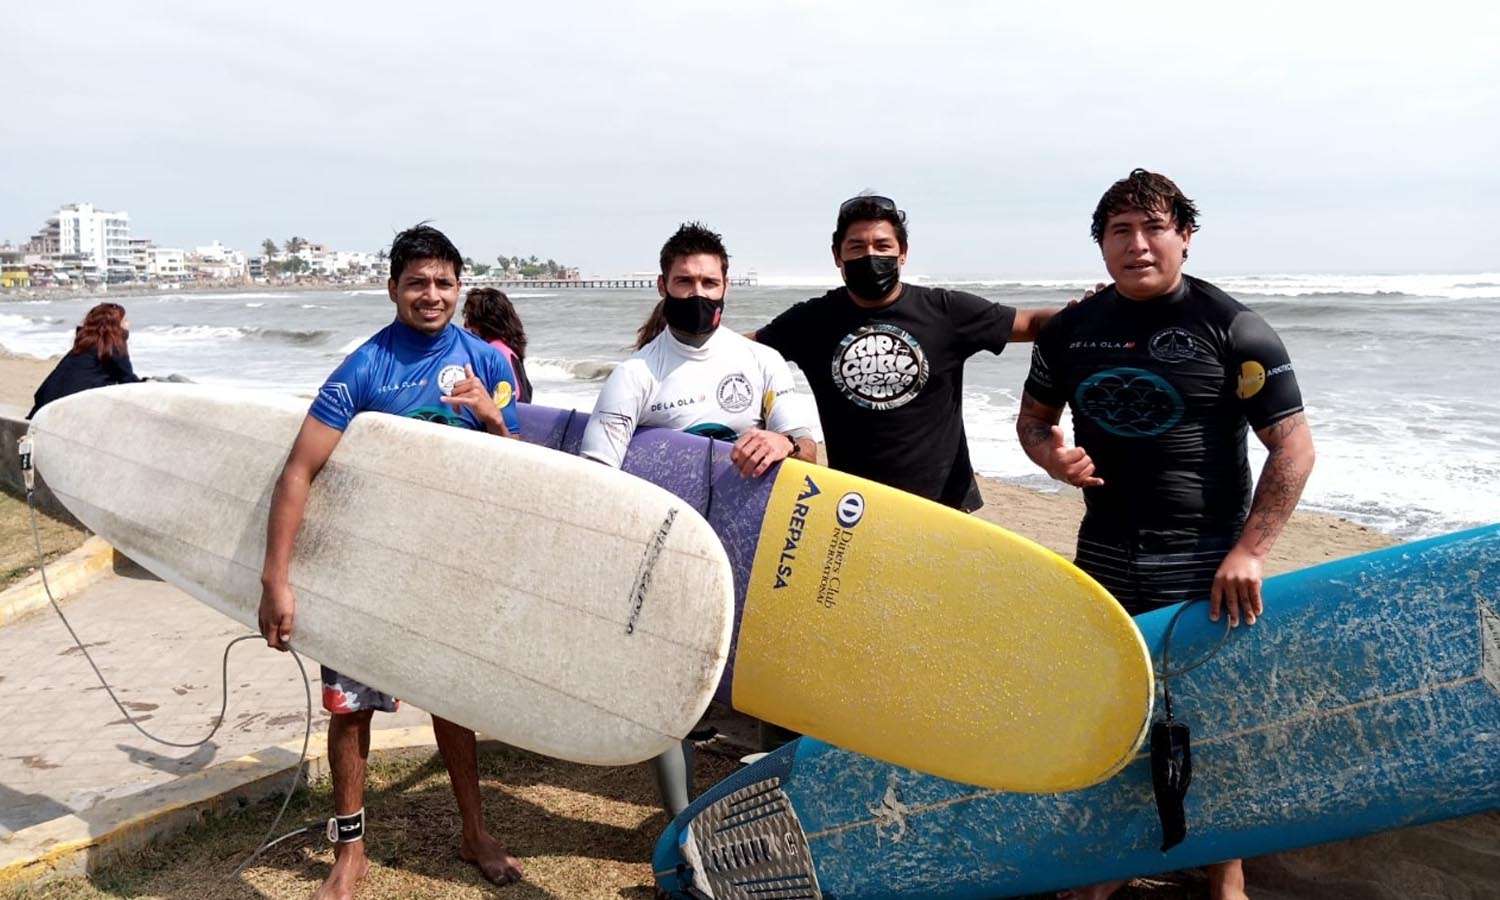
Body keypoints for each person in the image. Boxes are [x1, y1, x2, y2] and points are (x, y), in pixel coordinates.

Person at [1015, 169, 1316, 900]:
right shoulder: (1071, 332)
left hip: (1206, 559)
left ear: (1184, 236)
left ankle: (1226, 875)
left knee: (1212, 721)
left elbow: (1294, 446)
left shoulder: (1232, 326)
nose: (1138, 244)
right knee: (1113, 715)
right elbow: (1032, 421)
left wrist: (1250, 550)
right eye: (1121, 230)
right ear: (1102, 245)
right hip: (1107, 553)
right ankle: (1108, 866)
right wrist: (1052, 457)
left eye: (1154, 228)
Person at [257, 224, 525, 899]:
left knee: (452, 699)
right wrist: (276, 580)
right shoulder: (364, 368)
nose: (430, 295)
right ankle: (349, 852)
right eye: (417, 283)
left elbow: (522, 474)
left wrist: (492, 419)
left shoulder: (491, 365)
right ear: (393, 290)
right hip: (363, 568)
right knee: (350, 710)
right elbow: (298, 471)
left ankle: (474, 831)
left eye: (442, 282)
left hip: (447, 565)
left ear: (460, 288)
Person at [580, 222, 819, 815]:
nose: (698, 292)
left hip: (756, 553)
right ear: (662, 285)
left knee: (773, 687)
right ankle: (682, 826)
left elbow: (813, 449)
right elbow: (594, 482)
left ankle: (775, 811)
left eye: (709, 281)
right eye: (684, 281)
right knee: (674, 694)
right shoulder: (637, 375)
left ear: (726, 287)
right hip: (673, 560)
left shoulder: (762, 362)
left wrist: (783, 445)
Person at [752, 194, 1058, 512]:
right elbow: (740, 351)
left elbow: (1032, 322)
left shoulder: (945, 311)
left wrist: (1095, 313)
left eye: (882, 246)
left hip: (944, 505)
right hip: (854, 505)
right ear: (837, 256)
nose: (870, 256)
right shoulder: (811, 321)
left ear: (903, 254)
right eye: (857, 247)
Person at [27, 302, 142, 418]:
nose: (129, 323)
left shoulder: (83, 346)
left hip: (42, 408)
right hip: (61, 414)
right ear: (115, 326)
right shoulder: (112, 348)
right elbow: (128, 381)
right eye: (125, 320)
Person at [462, 287, 533, 403]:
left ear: (484, 323)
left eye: (469, 319)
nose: (465, 325)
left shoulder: (496, 353)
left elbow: (507, 403)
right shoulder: (508, 348)